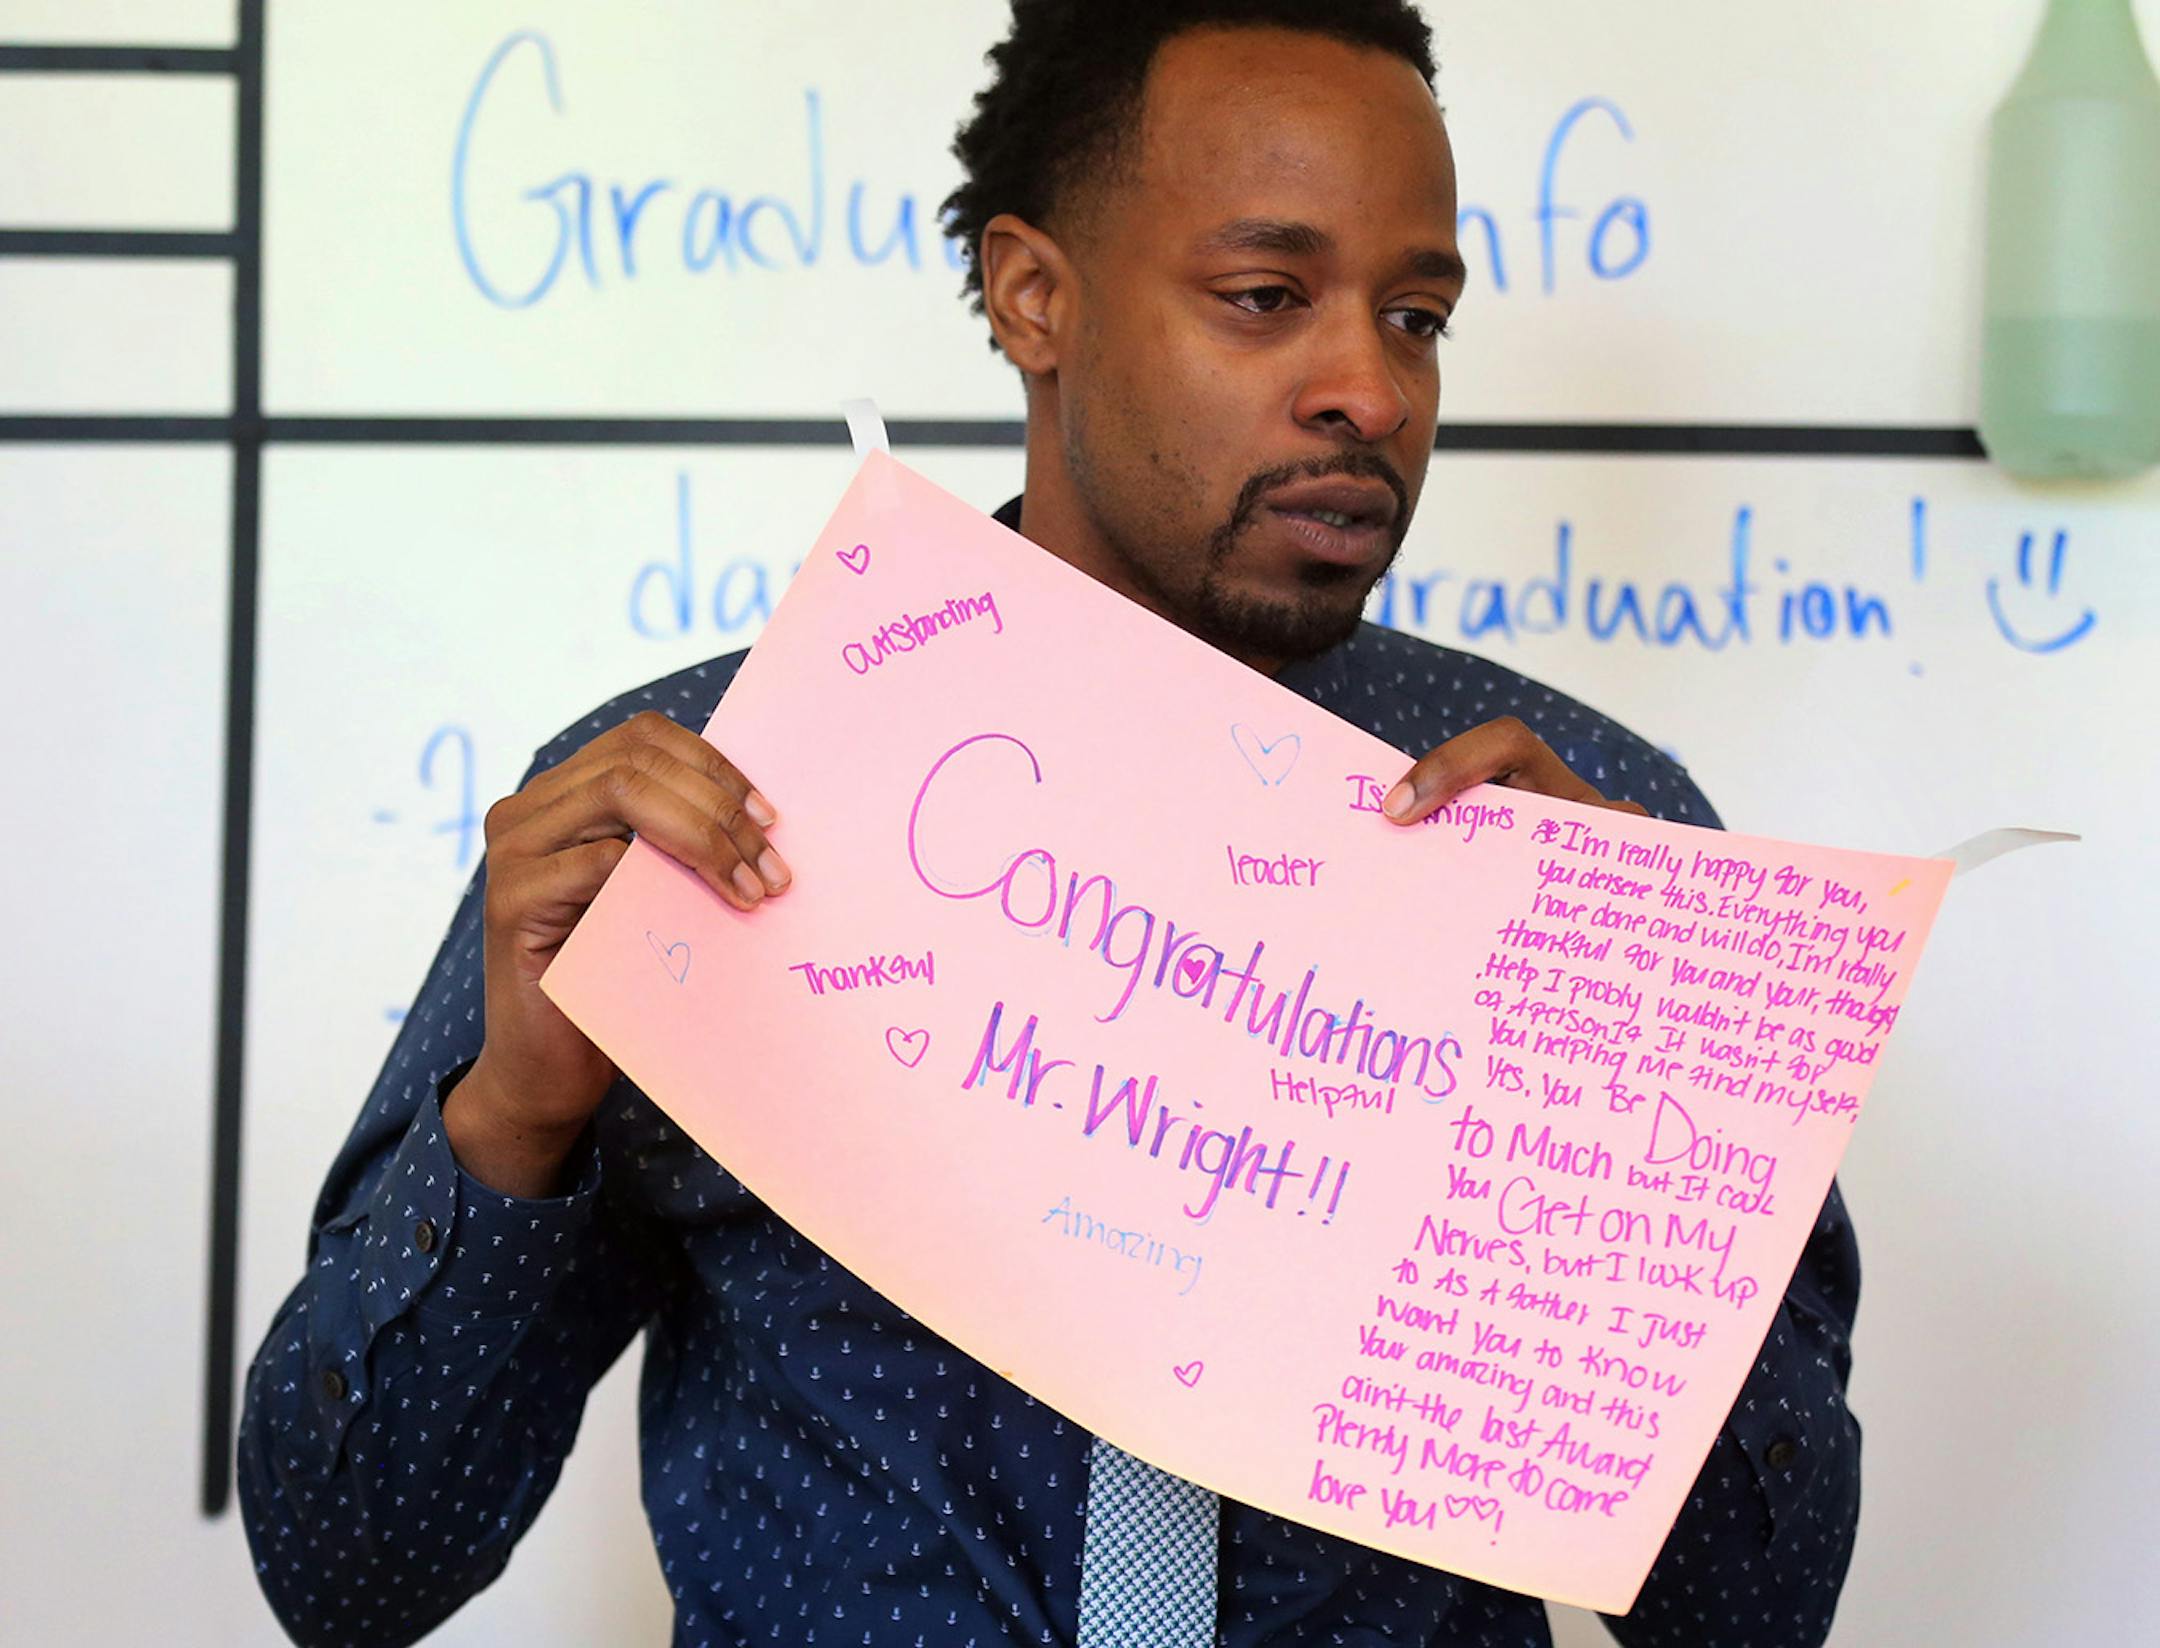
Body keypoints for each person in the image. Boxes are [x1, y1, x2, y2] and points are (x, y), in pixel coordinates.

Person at [240, 3, 1863, 1644]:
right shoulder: (697, 803)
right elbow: (350, 1573)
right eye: (1265, 297)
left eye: (1419, 315)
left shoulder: (1601, 843)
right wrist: (519, 1115)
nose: (1371, 388)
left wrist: (1633, 1120)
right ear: (1037, 297)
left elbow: (1750, 1614)